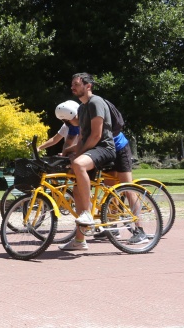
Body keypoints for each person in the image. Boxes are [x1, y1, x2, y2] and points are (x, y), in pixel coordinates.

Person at [59, 72, 116, 252]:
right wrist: (71, 153)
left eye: (76, 84)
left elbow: (97, 135)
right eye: (72, 84)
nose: (72, 87)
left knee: (78, 164)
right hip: (90, 151)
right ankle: (80, 240)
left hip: (104, 148)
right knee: (76, 190)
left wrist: (78, 156)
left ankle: (87, 215)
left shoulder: (96, 102)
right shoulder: (82, 108)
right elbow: (82, 137)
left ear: (88, 86)